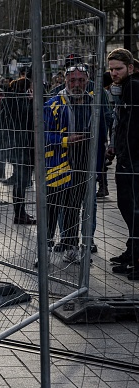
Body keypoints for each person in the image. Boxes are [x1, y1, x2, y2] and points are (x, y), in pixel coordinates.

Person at [43, 63, 107, 263]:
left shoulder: (94, 104)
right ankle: (44, 252)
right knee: (51, 209)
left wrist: (97, 169)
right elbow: (42, 135)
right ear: (65, 81)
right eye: (72, 80)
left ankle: (71, 248)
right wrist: (65, 140)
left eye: (81, 80)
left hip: (82, 164)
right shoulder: (53, 104)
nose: (77, 84)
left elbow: (101, 137)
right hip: (57, 165)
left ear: (87, 81)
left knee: (73, 209)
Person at [106, 48, 139, 279]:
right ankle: (133, 251)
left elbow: (132, 127)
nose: (114, 73)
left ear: (130, 67)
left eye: (118, 69)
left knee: (133, 208)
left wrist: (126, 154)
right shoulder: (125, 87)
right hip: (126, 157)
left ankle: (137, 256)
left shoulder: (133, 86)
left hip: (134, 159)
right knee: (127, 207)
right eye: (111, 69)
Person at [0, 76, 36, 224]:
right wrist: (32, 102)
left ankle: (20, 212)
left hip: (13, 146)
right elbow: (31, 118)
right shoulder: (23, 102)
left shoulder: (9, 100)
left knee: (20, 181)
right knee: (22, 182)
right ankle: (19, 214)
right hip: (23, 147)